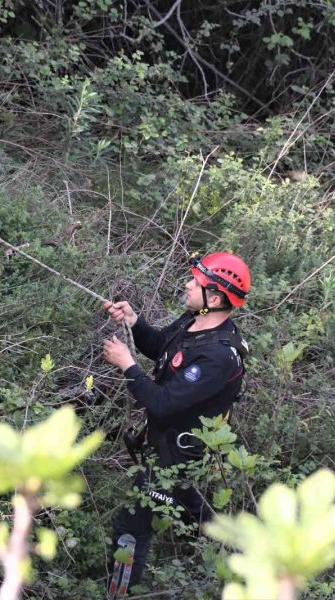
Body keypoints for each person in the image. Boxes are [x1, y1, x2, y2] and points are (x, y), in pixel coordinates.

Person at [101, 252, 251, 596]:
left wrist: (128, 366)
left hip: (178, 458)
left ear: (214, 297)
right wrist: (134, 322)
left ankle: (116, 592)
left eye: (195, 282)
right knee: (193, 514)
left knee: (131, 526)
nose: (187, 284)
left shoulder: (219, 356)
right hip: (165, 445)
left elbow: (163, 403)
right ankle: (231, 553)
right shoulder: (194, 318)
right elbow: (163, 350)